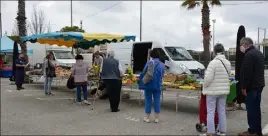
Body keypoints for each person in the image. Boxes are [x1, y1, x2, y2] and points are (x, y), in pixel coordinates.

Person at [201, 43, 231, 136]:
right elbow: (228, 74)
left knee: (211, 112)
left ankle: (210, 132)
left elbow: (208, 79)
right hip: (223, 91)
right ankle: (222, 131)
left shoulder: (212, 63)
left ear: (214, 52)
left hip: (213, 91)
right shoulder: (228, 63)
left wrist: (204, 86)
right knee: (221, 111)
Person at [238, 37, 265, 136]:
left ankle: (251, 131)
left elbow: (247, 73)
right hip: (259, 85)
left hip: (252, 87)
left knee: (251, 109)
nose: (241, 47)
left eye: (241, 45)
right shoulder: (259, 53)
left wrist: (244, 87)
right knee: (256, 109)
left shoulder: (249, 55)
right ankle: (258, 130)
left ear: (245, 44)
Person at [141, 49, 165, 123]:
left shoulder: (149, 63)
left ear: (151, 55)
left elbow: (144, 71)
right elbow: (162, 74)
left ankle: (147, 118)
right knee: (157, 100)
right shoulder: (162, 64)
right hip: (158, 85)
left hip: (148, 84)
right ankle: (157, 118)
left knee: (148, 100)